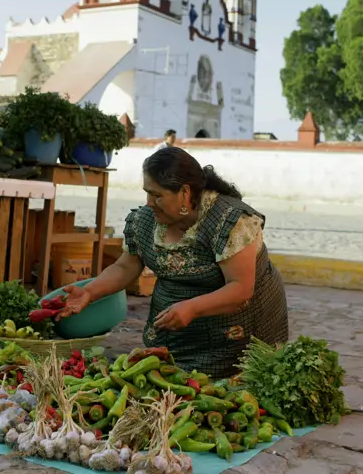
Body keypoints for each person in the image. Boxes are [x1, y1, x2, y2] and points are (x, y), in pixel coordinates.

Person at [58, 146, 289, 378]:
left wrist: (191, 307)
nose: (149, 202)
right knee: (174, 382)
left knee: (231, 390)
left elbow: (240, 288)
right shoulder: (146, 221)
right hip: (180, 331)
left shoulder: (230, 221)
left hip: (240, 330)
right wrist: (89, 292)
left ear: (185, 193)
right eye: (147, 193)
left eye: (157, 195)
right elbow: (125, 266)